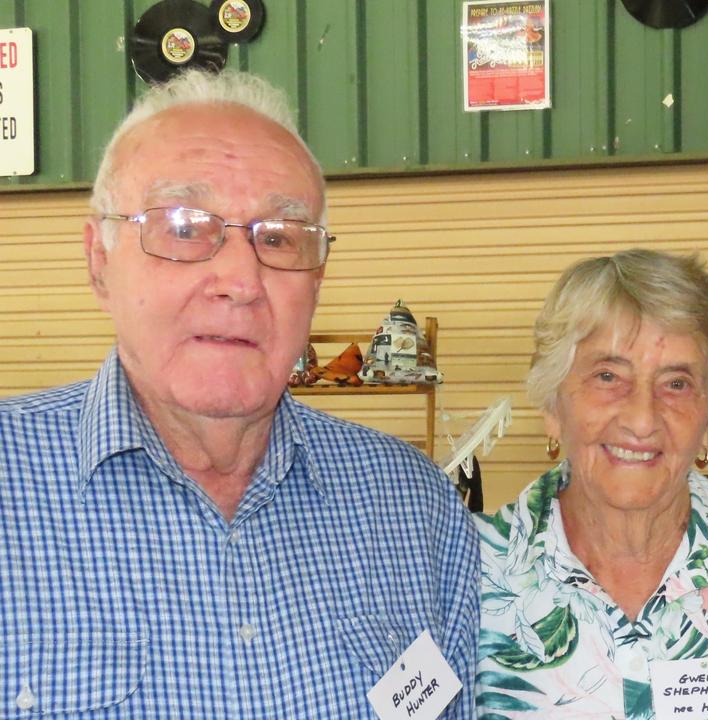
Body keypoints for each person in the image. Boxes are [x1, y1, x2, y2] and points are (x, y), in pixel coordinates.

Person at [0, 70, 477, 718]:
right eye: (185, 226)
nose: (240, 279)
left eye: (279, 237)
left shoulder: (416, 510)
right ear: (98, 259)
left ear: (317, 278)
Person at [474, 249, 708, 719]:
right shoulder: (468, 569)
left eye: (675, 383)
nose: (641, 419)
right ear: (552, 407)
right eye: (608, 376)